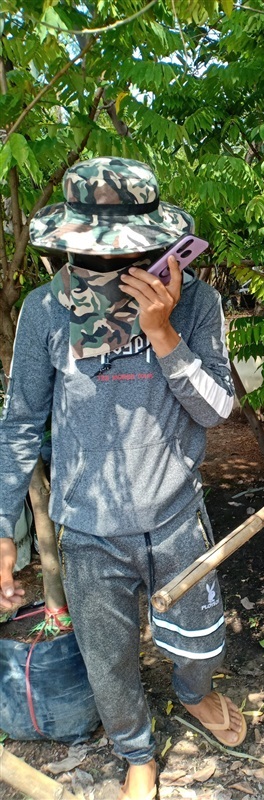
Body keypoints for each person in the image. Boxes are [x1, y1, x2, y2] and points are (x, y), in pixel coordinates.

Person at [0, 157, 245, 800]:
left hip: (173, 513)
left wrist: (162, 334)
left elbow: (217, 410)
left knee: (197, 640)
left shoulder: (196, 303)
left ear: (163, 248)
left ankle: (195, 694)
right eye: (94, 259)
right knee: (107, 660)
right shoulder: (45, 312)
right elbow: (21, 422)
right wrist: (4, 524)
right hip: (86, 525)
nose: (108, 274)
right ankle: (136, 751)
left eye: (130, 258)